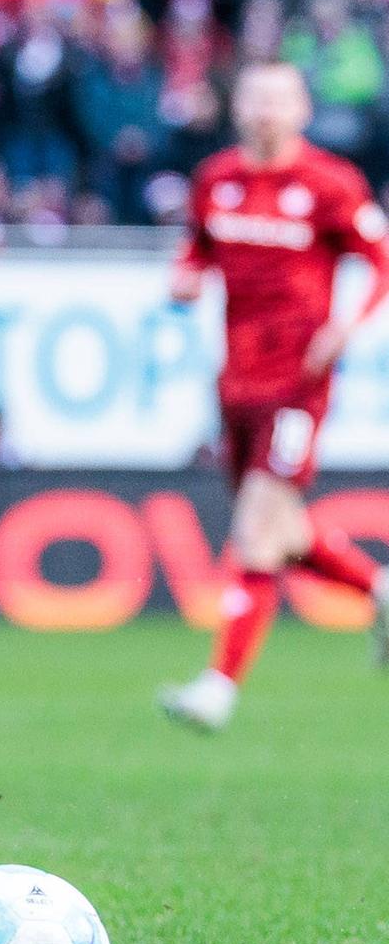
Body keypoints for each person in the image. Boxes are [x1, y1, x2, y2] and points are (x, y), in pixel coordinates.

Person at [160, 62, 389, 732]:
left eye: (277, 100)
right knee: (280, 529)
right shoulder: (217, 180)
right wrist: (186, 276)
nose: (264, 111)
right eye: (253, 98)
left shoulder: (329, 184)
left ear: (301, 111)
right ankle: (377, 589)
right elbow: (196, 249)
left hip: (299, 383)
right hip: (236, 382)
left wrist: (347, 325)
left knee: (258, 529)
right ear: (237, 108)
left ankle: (219, 686)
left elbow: (381, 260)